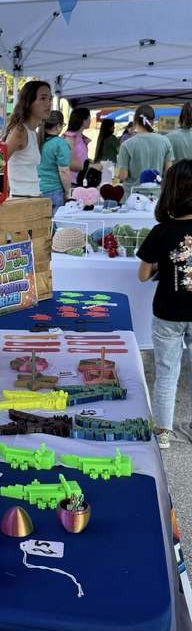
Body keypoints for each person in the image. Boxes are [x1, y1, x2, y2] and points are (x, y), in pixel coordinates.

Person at [136, 159, 192, 450]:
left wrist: (163, 264)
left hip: (168, 312)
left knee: (167, 373)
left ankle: (163, 433)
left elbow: (143, 276)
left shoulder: (161, 231)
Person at [4, 80, 52, 197]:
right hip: (19, 199)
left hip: (32, 197)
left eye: (50, 99)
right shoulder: (19, 131)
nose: (48, 103)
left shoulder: (32, 134)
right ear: (29, 102)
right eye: (43, 98)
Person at [117, 104, 174, 193]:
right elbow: (169, 172)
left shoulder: (126, 145)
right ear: (153, 121)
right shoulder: (165, 141)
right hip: (156, 195)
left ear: (135, 121)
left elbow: (123, 176)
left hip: (133, 196)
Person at [37, 110, 71, 211]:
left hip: (37, 190)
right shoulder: (60, 143)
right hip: (54, 190)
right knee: (55, 226)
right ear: (58, 126)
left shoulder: (38, 141)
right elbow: (64, 171)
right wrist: (68, 192)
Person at [63, 107, 92, 185]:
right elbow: (69, 163)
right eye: (89, 118)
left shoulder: (80, 137)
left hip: (80, 180)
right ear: (83, 120)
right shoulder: (70, 138)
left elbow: (79, 157)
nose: (90, 121)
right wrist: (90, 167)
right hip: (72, 182)